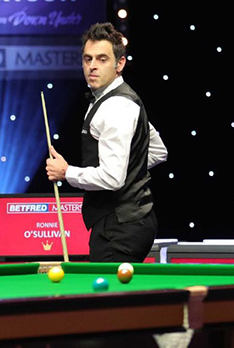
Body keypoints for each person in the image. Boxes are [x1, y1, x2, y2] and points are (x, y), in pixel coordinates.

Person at [46, 22, 168, 263]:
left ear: (119, 64)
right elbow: (157, 151)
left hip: (119, 229)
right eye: (87, 59)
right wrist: (129, 171)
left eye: (102, 59)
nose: (92, 66)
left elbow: (113, 178)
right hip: (132, 223)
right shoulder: (121, 99)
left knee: (106, 289)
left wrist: (66, 172)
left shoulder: (116, 106)